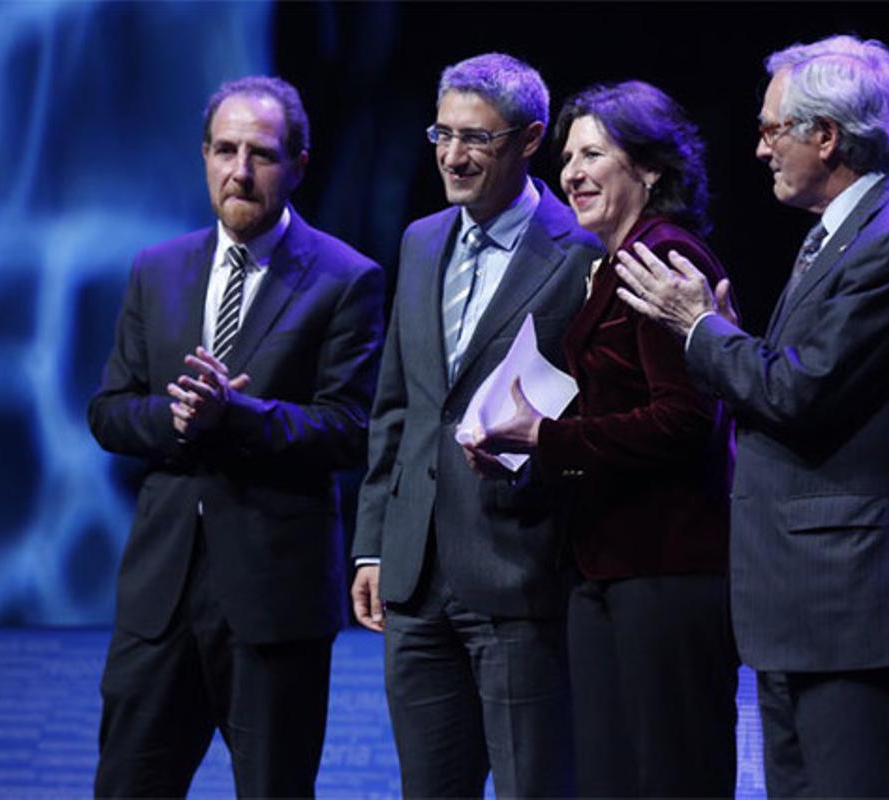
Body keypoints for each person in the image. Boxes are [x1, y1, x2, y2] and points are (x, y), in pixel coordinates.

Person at [615, 35, 889, 797]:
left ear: (827, 135)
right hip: (813, 601)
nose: (759, 149)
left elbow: (799, 395)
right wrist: (729, 341)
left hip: (855, 603)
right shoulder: (854, 225)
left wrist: (699, 331)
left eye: (773, 129)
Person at [87, 76, 384, 797]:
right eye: (225, 150)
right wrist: (173, 417)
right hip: (160, 595)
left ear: (300, 163)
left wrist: (239, 416)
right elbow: (110, 411)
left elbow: (350, 429)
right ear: (204, 155)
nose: (240, 171)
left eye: (262, 153)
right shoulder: (156, 269)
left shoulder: (347, 279)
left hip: (273, 598)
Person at [468, 80, 738, 798]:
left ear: (648, 169)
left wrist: (547, 439)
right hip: (608, 568)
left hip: (667, 573)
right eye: (567, 156)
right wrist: (519, 447)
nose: (571, 172)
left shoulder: (663, 260)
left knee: (669, 778)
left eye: (593, 153)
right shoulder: (615, 263)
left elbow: (685, 421)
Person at [349, 53, 601, 798]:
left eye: (477, 139)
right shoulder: (421, 241)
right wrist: (371, 546)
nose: (452, 156)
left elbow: (596, 412)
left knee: (536, 787)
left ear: (529, 140)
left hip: (521, 573)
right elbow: (396, 405)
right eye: (442, 134)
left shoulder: (582, 249)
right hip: (415, 577)